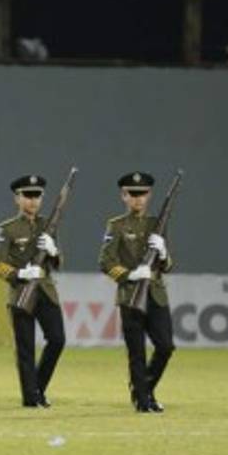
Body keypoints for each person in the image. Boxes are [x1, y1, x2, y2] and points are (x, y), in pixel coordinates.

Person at [99, 171, 175, 412]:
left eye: (142, 194)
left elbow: (169, 266)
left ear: (149, 195)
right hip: (130, 295)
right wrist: (130, 275)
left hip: (156, 294)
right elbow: (105, 262)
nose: (138, 199)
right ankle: (143, 401)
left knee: (165, 346)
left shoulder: (157, 224)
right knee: (136, 352)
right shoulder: (116, 225)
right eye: (133, 194)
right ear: (124, 196)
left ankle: (144, 388)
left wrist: (163, 253)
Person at [0, 174, 65, 407]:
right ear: (17, 198)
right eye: (28, 196)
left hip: (46, 291)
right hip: (21, 292)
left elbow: (58, 264)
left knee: (57, 340)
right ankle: (31, 398)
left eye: (37, 196)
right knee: (25, 349)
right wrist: (20, 274)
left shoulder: (48, 225)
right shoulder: (8, 229)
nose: (33, 201)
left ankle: (38, 388)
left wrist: (53, 251)